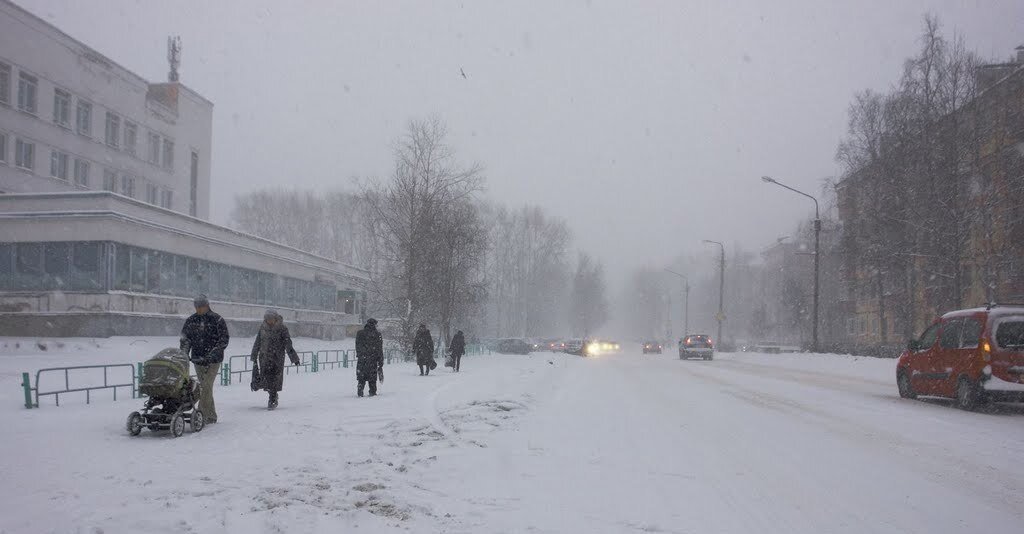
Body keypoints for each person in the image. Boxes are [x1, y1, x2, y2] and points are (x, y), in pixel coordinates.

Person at [179, 295, 229, 423]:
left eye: (200, 307)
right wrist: (184, 353)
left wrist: (213, 354)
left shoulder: (217, 320)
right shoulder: (191, 321)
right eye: (196, 307)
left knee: (205, 386)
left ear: (207, 306)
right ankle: (211, 416)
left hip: (213, 360)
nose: (198, 309)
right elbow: (185, 339)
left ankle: (199, 415)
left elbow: (223, 340)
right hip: (197, 359)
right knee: (205, 387)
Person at [250, 310, 301, 409]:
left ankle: (272, 399)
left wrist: (294, 358)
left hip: (277, 358)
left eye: (271, 318)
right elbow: (258, 342)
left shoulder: (282, 329)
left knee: (274, 380)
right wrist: (254, 355)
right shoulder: (263, 328)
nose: (269, 321)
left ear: (275, 318)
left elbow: (288, 344)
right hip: (264, 358)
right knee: (266, 379)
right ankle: (272, 395)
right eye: (267, 318)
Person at [355, 318, 384, 397]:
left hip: (362, 359)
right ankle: (372, 392)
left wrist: (360, 354)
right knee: (372, 378)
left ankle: (360, 391)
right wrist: (380, 360)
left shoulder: (360, 333)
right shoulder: (377, 335)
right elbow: (379, 349)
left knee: (361, 377)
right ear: (374, 324)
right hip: (373, 359)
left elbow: (357, 346)